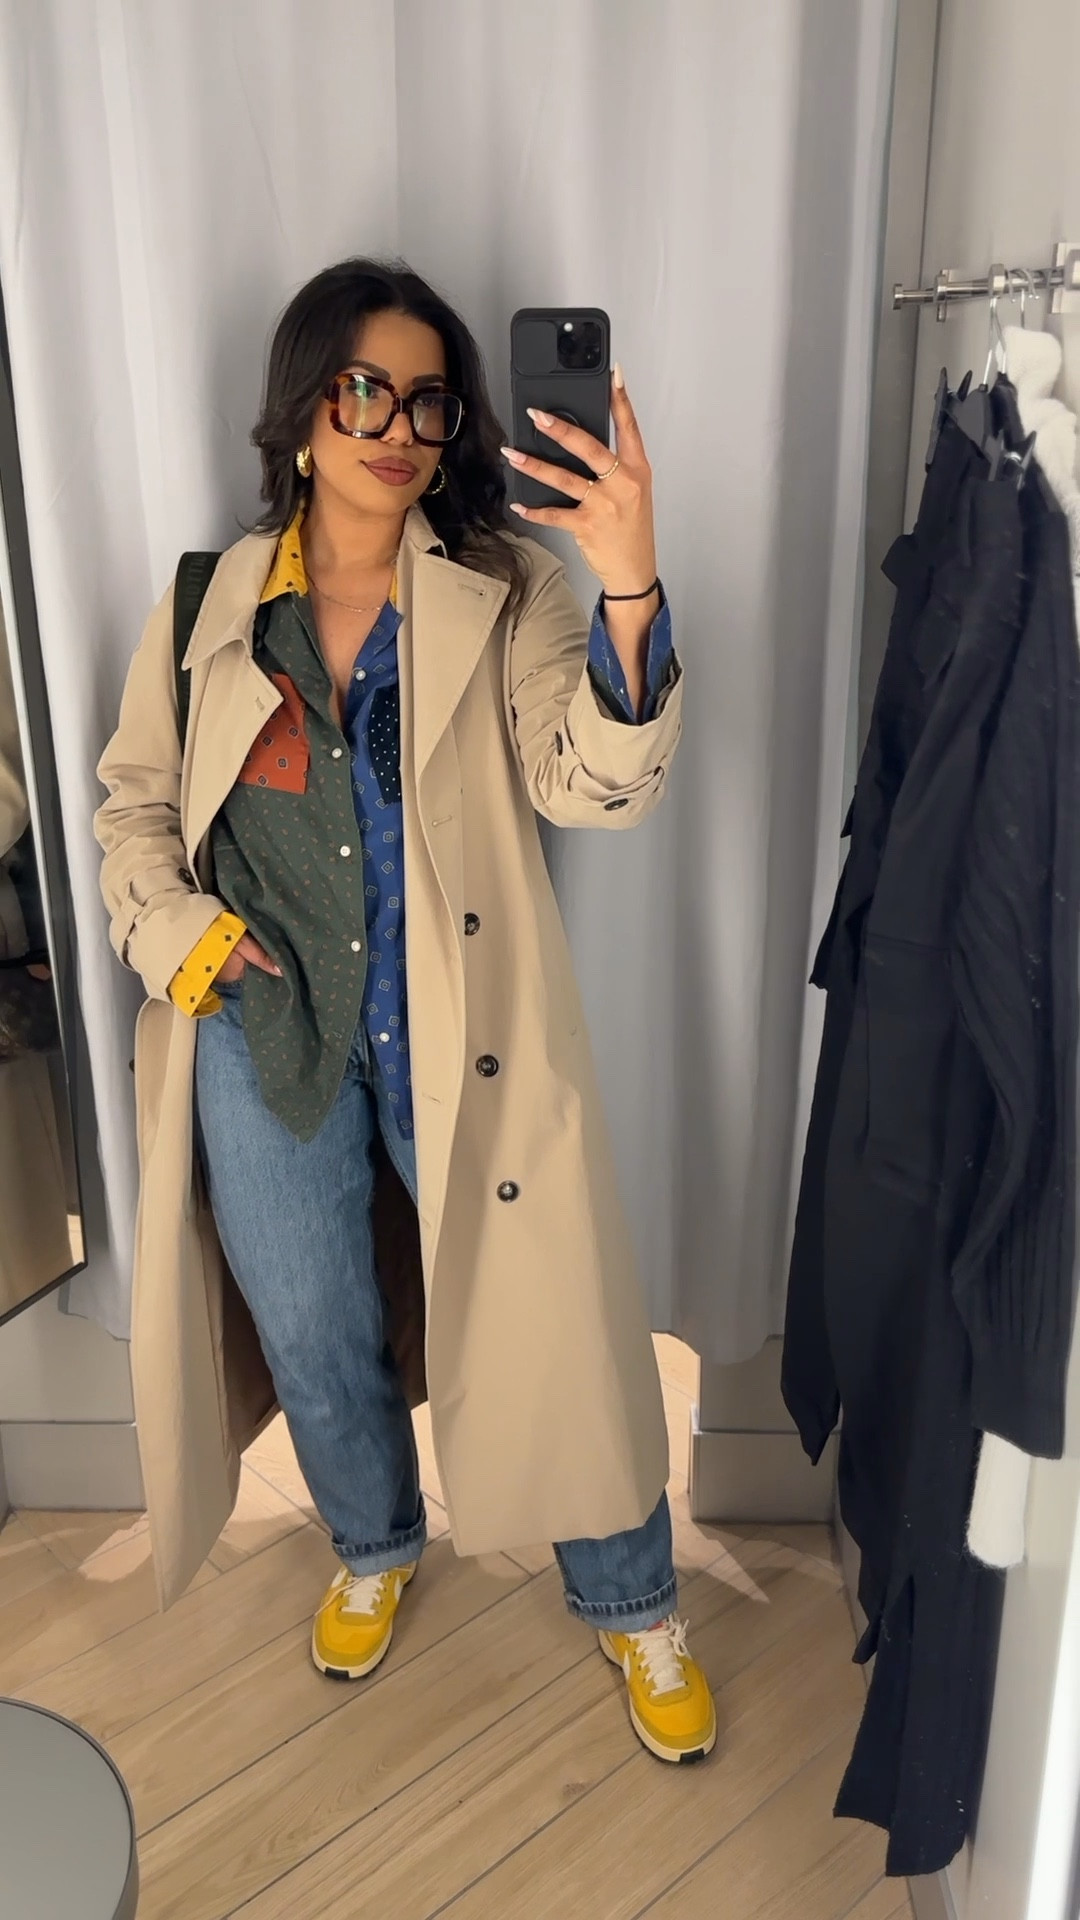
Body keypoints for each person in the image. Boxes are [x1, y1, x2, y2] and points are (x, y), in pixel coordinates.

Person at [95, 258, 713, 1765]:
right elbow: (134, 808)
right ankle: (372, 1545)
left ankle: (634, 1598)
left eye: (428, 401)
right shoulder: (206, 603)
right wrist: (182, 937)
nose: (395, 427)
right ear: (304, 409)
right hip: (261, 1036)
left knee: (552, 1314)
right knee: (314, 1326)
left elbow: (593, 785)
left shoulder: (509, 588)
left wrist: (628, 580)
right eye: (362, 391)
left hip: (461, 1025)